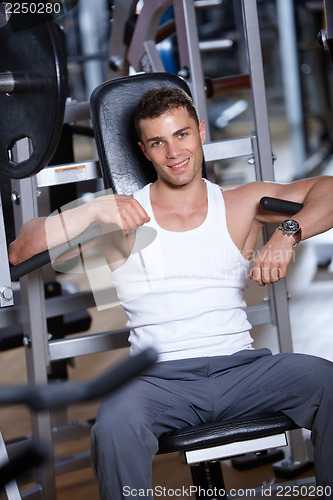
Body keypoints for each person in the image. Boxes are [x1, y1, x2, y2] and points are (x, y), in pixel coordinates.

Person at [9, 86, 333, 499]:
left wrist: (288, 234)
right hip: (158, 382)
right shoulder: (121, 218)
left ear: (200, 132)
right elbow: (21, 249)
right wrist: (90, 209)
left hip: (243, 371)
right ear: (144, 150)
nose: (173, 152)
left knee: (327, 382)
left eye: (181, 135)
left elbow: (328, 187)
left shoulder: (241, 203)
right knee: (113, 427)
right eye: (158, 142)